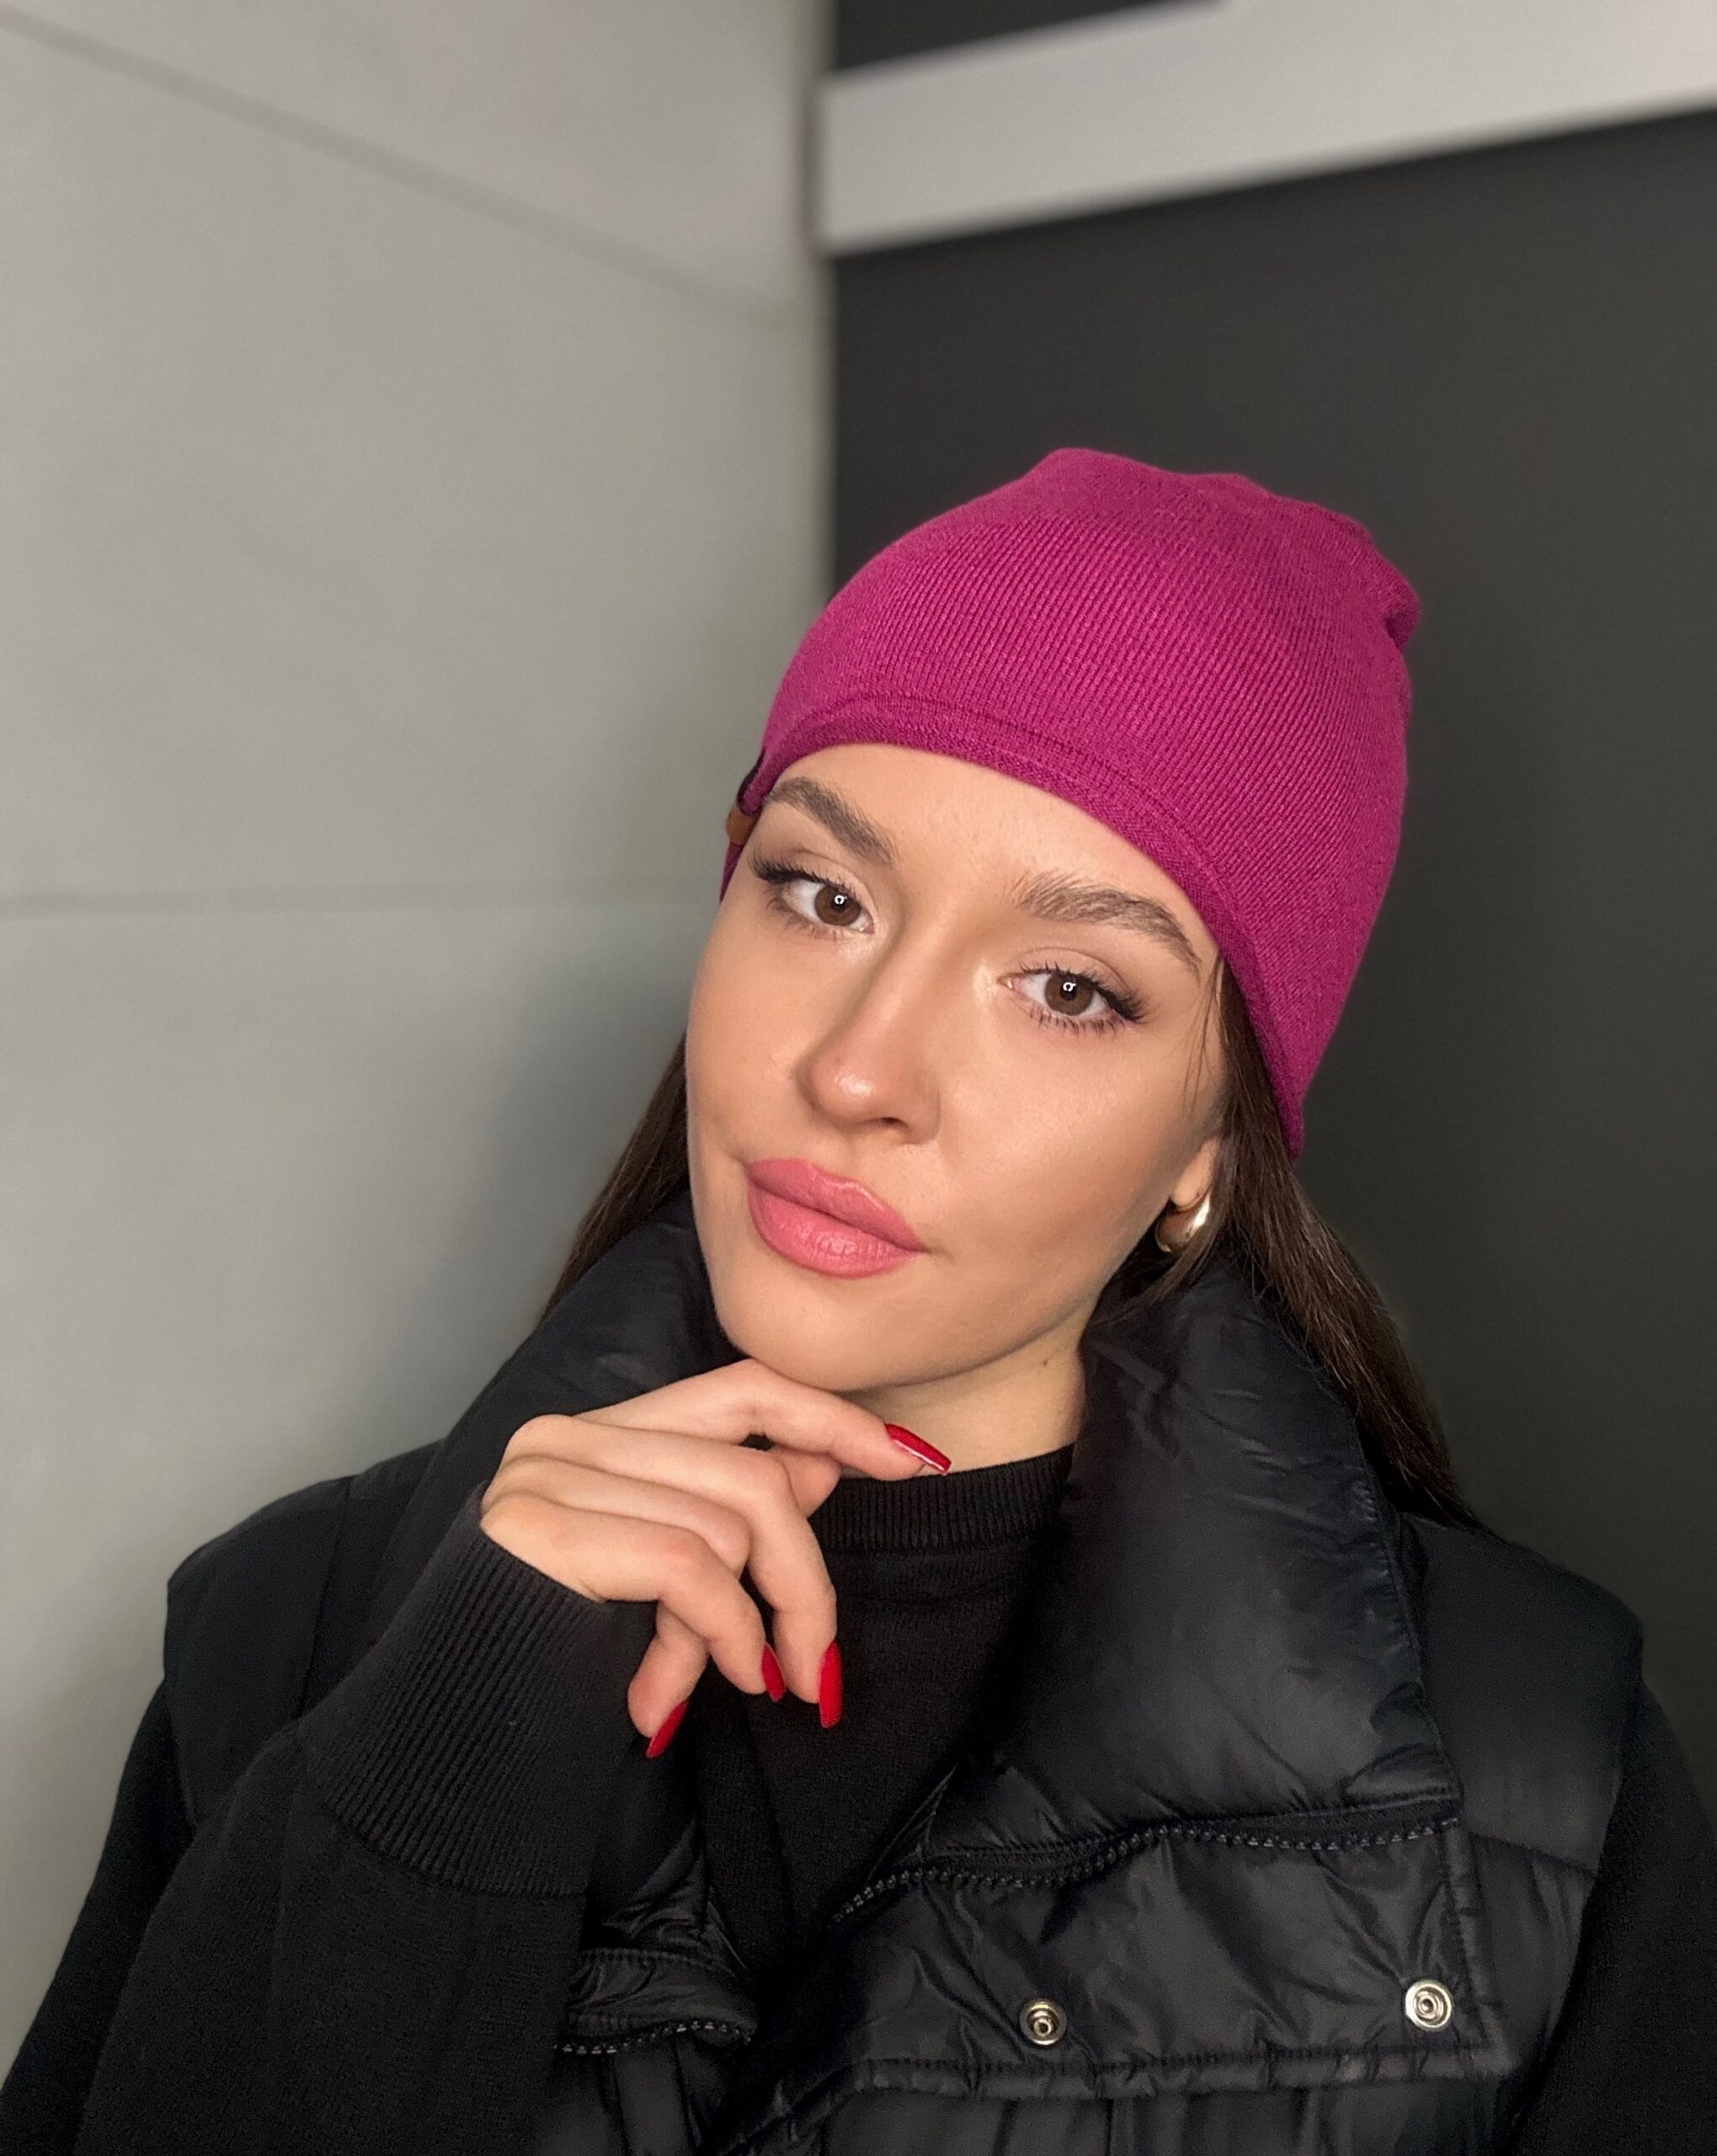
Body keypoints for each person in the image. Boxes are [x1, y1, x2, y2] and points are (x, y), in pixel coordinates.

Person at [3, 449, 1714, 2155]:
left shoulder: (1542, 1777)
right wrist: (435, 1763)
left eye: (1069, 988)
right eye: (823, 895)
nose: (859, 1068)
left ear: (1212, 1141)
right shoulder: (294, 1630)